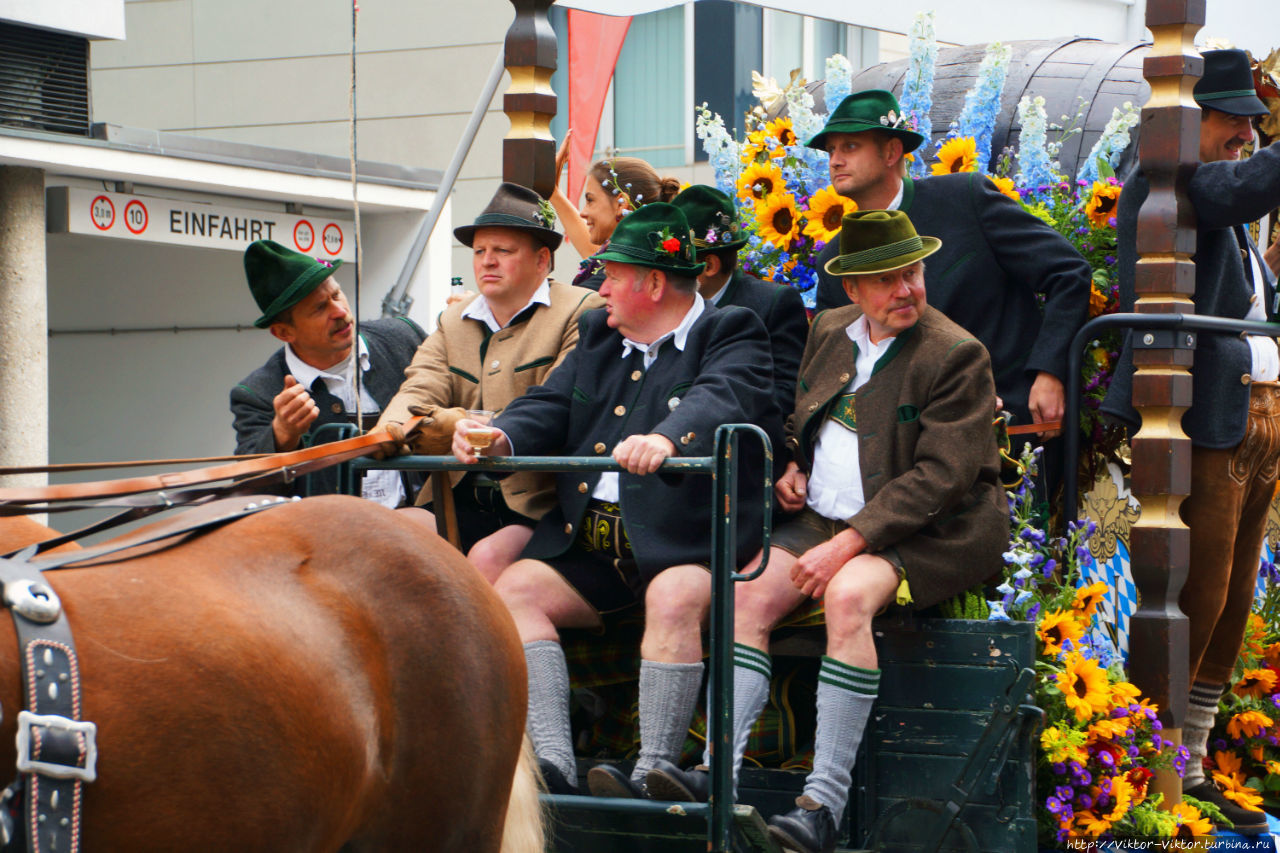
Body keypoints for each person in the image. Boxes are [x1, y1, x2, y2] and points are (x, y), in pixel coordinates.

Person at [646, 210, 1009, 853]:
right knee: (745, 597)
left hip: (935, 530)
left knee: (846, 597)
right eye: (888, 280)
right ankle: (714, 778)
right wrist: (793, 465)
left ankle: (821, 806)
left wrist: (849, 543)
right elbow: (803, 419)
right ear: (853, 290)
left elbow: (941, 478)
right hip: (822, 518)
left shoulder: (956, 353)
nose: (907, 290)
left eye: (914, 272)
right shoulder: (831, 329)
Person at [450, 203, 778, 798]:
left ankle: (652, 773)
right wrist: (501, 434)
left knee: (674, 594)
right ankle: (554, 765)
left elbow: (723, 395)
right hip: (594, 548)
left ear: (653, 283)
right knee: (516, 589)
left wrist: (666, 438)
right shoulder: (602, 333)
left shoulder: (731, 329)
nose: (600, 289)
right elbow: (550, 403)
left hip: (688, 543)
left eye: (612, 275)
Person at [1101, 48, 1280, 836]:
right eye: (1233, 116)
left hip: (1249, 416)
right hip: (1199, 416)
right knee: (1193, 592)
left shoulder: (1221, 200)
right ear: (1186, 117)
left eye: (1253, 119)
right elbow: (1242, 184)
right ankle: (1156, 766)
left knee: (1234, 595)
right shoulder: (1167, 179)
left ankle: (1196, 760)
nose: (1247, 130)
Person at [809, 89, 1090, 447]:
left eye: (850, 146)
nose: (834, 160)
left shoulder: (965, 199)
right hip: (905, 449)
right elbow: (836, 364)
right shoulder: (835, 259)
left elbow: (1069, 273)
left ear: (892, 152)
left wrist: (1050, 373)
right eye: (831, 150)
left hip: (1011, 426)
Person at [374, 182, 603, 581]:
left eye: (503, 251)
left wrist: (445, 424)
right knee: (381, 537)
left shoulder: (582, 310)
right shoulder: (452, 319)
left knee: (486, 559)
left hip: (539, 503)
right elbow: (416, 390)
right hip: (451, 497)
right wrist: (387, 432)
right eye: (479, 251)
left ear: (542, 259)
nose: (487, 262)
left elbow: (551, 408)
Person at [230, 240, 425, 506]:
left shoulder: (403, 338)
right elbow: (249, 491)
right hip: (327, 539)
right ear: (284, 332)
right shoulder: (258, 393)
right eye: (320, 308)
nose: (340, 311)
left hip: (421, 523)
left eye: (336, 295)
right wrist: (282, 435)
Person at [671, 183, 808, 420]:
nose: (664, 272)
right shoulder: (667, 305)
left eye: (675, 262)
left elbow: (787, 395)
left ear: (709, 266)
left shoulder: (772, 304)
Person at [549, 140, 681, 290]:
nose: (583, 212)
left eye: (590, 200)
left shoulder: (614, 276)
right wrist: (554, 192)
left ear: (621, 203)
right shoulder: (639, 256)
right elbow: (590, 249)